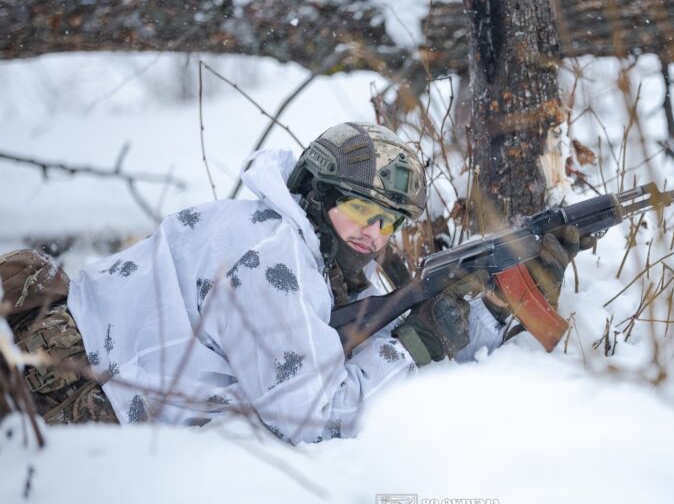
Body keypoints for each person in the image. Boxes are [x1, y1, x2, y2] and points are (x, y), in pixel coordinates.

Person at [1, 122, 585, 443]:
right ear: (319, 193)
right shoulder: (268, 256)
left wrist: (495, 306)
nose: (374, 236)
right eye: (360, 212)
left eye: (390, 222)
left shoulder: (308, 247)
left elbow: (361, 349)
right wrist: (417, 344)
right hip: (66, 411)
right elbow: (312, 417)